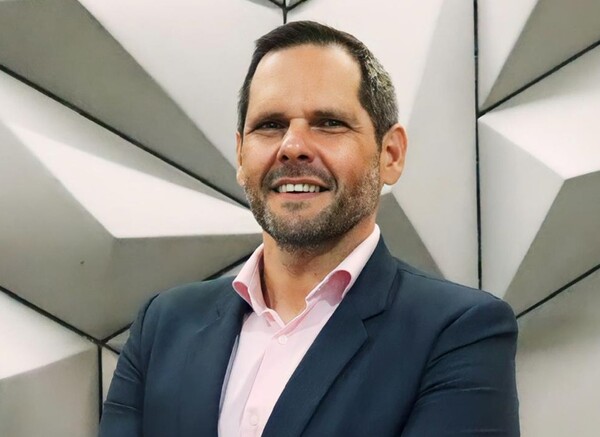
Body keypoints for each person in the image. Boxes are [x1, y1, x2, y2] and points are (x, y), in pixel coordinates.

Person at [99, 21, 519, 437]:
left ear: (390, 154)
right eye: (270, 125)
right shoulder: (163, 325)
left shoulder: (458, 332)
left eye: (329, 123)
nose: (293, 146)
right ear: (241, 155)